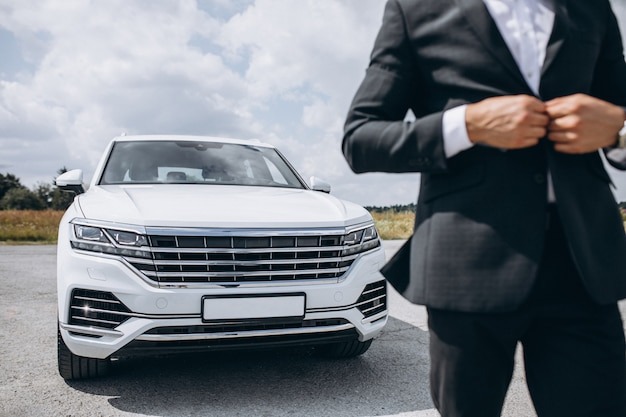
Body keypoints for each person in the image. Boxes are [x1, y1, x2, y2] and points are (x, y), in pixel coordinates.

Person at [342, 1, 626, 416]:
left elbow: (617, 110)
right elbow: (361, 138)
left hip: (582, 264)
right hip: (464, 264)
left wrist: (617, 131)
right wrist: (467, 125)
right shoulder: (414, 8)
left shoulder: (592, 8)